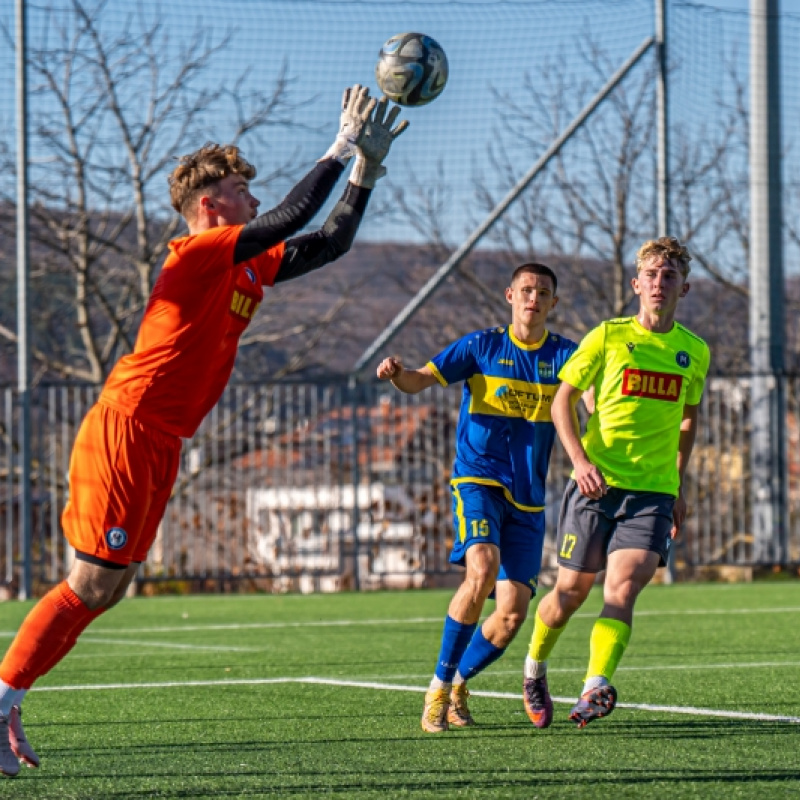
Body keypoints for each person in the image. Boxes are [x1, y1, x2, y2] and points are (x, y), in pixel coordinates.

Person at [0, 85, 408, 777]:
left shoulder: (242, 264)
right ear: (210, 207)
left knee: (106, 587)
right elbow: (292, 215)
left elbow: (328, 241)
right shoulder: (192, 254)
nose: (253, 199)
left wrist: (365, 168)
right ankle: (2, 698)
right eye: (241, 191)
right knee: (90, 580)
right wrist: (340, 145)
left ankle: (7, 700)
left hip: (162, 437)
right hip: (128, 427)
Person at [377, 263, 578, 732]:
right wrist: (395, 374)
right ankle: (437, 689)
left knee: (510, 616)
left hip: (529, 498)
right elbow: (418, 380)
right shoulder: (480, 346)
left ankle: (462, 681)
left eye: (543, 292)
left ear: (554, 303)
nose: (533, 298)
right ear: (510, 294)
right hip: (478, 479)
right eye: (526, 290)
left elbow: (589, 404)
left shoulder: (568, 357)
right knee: (481, 569)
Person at [522, 236, 710, 729]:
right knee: (567, 597)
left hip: (652, 492)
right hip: (596, 485)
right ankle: (534, 666)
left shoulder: (694, 352)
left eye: (669, 276)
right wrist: (580, 462)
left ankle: (592, 687)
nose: (658, 283)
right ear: (635, 284)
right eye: (650, 275)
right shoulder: (607, 336)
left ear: (683, 288)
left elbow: (688, 421)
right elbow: (562, 401)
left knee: (623, 588)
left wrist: (677, 484)